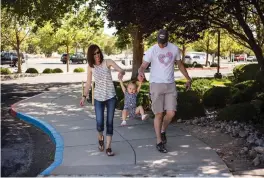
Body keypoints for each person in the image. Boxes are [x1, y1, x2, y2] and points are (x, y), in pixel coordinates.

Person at [137, 29, 192, 153]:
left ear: (167, 40)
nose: (161, 44)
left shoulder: (174, 49)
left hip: (170, 84)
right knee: (159, 114)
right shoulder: (152, 50)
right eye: (159, 42)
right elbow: (143, 66)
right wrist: (140, 73)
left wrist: (188, 78)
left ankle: (163, 130)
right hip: (156, 84)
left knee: (171, 113)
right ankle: (159, 141)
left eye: (163, 42)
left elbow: (180, 65)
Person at [80, 44, 125, 156]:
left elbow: (121, 69)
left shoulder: (107, 62)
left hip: (111, 97)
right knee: (100, 123)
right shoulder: (90, 67)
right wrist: (84, 96)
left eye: (98, 52)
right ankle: (100, 139)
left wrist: (121, 73)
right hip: (99, 98)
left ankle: (108, 147)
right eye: (94, 54)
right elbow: (89, 83)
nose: (97, 55)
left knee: (109, 122)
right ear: (91, 56)